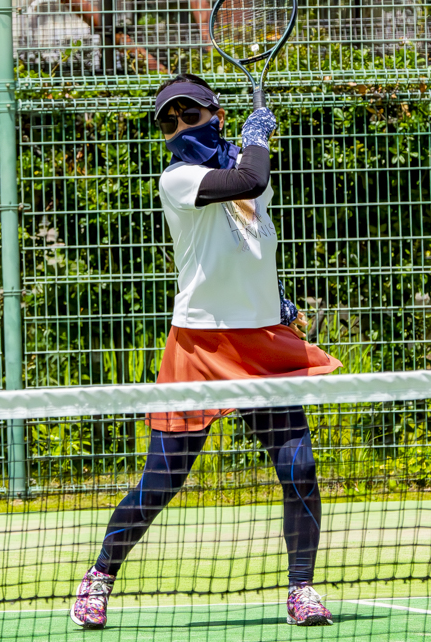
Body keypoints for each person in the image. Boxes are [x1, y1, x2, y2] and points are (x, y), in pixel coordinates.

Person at [70, 74, 343, 630]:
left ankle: (302, 588)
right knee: (162, 481)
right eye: (167, 122)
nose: (178, 127)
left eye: (189, 115)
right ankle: (99, 576)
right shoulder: (179, 178)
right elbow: (250, 178)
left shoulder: (241, 165)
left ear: (215, 115)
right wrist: (258, 138)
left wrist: (273, 299)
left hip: (262, 341)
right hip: (199, 345)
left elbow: (248, 243)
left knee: (299, 469)